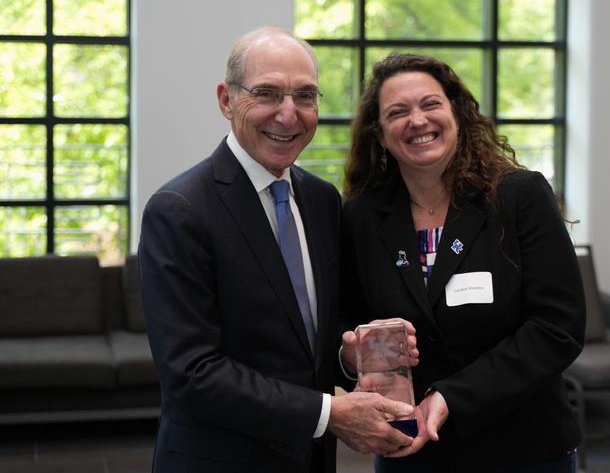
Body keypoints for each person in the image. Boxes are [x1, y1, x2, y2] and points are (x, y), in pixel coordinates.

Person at [138, 28, 416, 473]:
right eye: (267, 94)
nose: (289, 115)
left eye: (305, 97)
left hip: (310, 460)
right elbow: (192, 373)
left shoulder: (322, 200)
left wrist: (350, 352)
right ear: (226, 100)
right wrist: (329, 414)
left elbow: (317, 327)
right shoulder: (180, 210)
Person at [339, 53, 586, 473]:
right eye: (398, 112)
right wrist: (350, 357)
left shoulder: (518, 197)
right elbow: (344, 323)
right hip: (412, 449)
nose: (417, 121)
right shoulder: (359, 219)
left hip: (522, 447)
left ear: (455, 113)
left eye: (430, 104)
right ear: (380, 135)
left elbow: (557, 327)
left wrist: (452, 396)